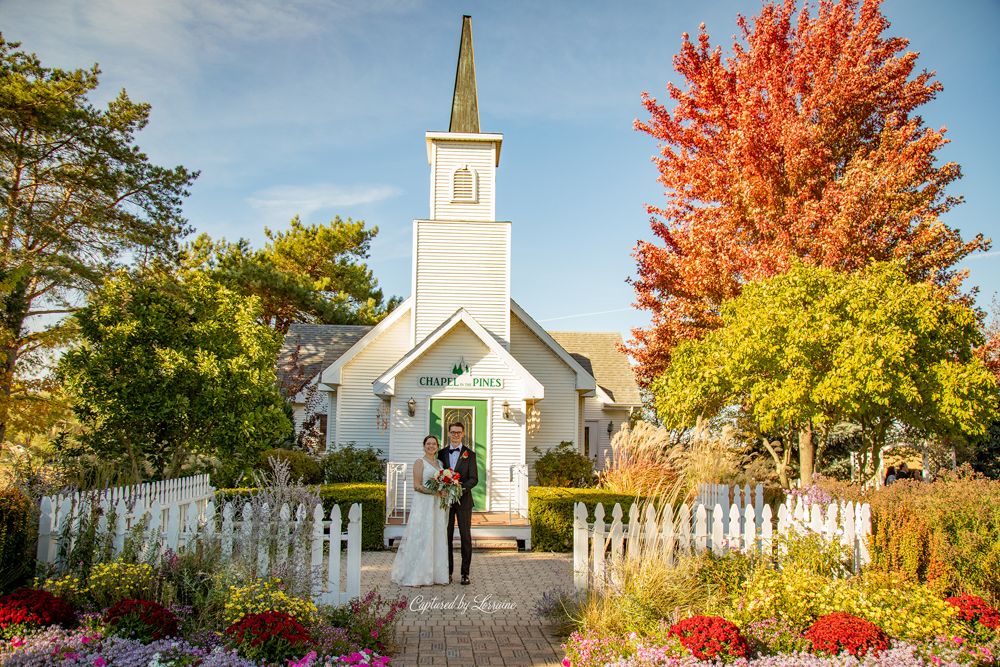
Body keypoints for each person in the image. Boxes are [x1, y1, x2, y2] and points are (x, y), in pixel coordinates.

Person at [390, 435, 450, 586]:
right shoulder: (419, 462)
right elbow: (417, 486)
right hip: (424, 503)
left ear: (437, 446)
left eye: (434, 444)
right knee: (422, 535)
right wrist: (436, 493)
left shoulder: (440, 463)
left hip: (437, 504)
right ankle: (417, 574)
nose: (431, 446)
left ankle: (435, 574)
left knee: (435, 534)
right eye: (428, 444)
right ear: (424, 446)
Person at [438, 421, 479, 586]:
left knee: (465, 537)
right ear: (448, 434)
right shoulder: (440, 454)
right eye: (453, 432)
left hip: (464, 501)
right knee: (445, 537)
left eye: (458, 432)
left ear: (463, 434)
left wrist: (458, 489)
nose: (455, 435)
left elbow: (474, 479)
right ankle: (447, 572)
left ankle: (465, 573)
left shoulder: (471, 454)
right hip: (445, 502)